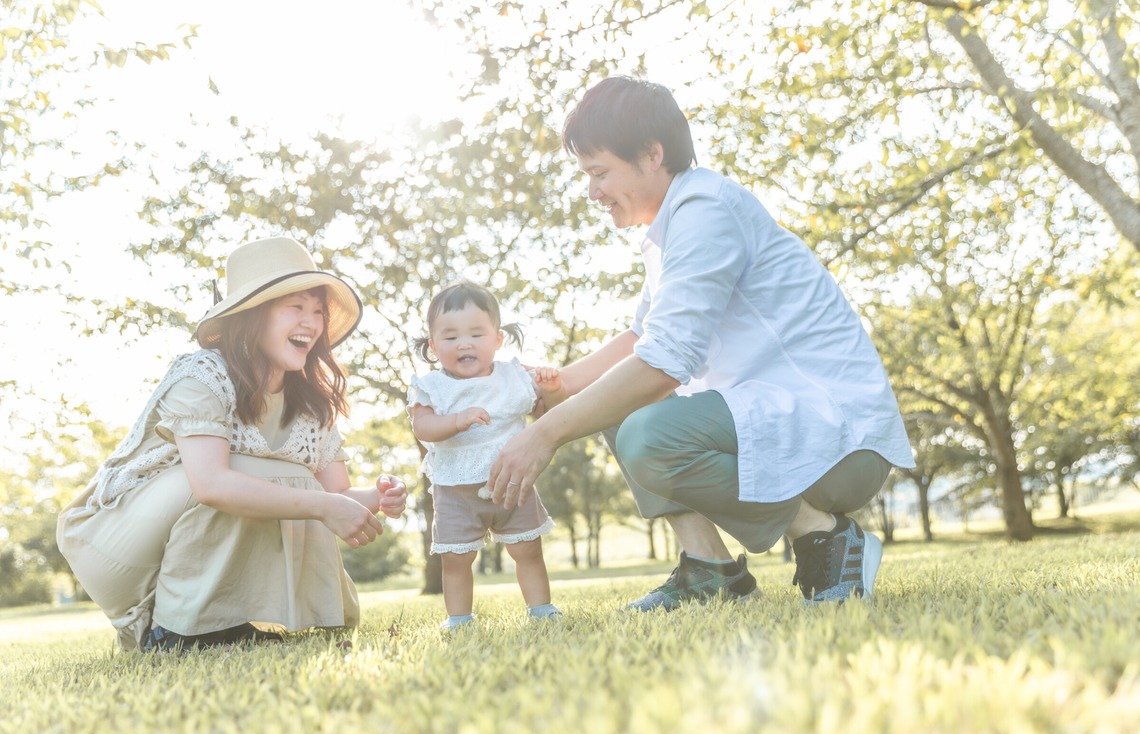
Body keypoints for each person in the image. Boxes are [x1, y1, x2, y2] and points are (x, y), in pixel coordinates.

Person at [488, 76, 915, 609]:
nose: (592, 192)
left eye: (599, 173)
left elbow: (664, 363)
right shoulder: (672, 229)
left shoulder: (707, 210)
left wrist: (545, 435)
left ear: (652, 155)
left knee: (647, 434)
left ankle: (823, 534)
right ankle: (711, 569)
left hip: (840, 440)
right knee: (611, 405)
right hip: (773, 425)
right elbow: (643, 337)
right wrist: (559, 386)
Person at [57, 237, 408, 651]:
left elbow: (336, 493)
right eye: (295, 307)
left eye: (318, 311)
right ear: (253, 316)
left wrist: (376, 497)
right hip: (118, 540)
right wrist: (326, 505)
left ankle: (234, 624)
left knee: (289, 476)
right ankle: (175, 631)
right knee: (250, 473)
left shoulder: (311, 401)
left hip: (188, 515)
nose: (312, 322)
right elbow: (211, 484)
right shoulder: (202, 374)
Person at [407, 281, 565, 630]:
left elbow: (547, 415)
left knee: (528, 550)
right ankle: (459, 618)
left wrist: (552, 390)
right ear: (433, 346)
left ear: (497, 340)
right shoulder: (431, 386)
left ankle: (541, 608)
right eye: (450, 337)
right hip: (456, 489)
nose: (464, 343)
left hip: (513, 481)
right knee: (456, 558)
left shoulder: (514, 376)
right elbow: (424, 427)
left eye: (476, 334)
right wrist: (457, 420)